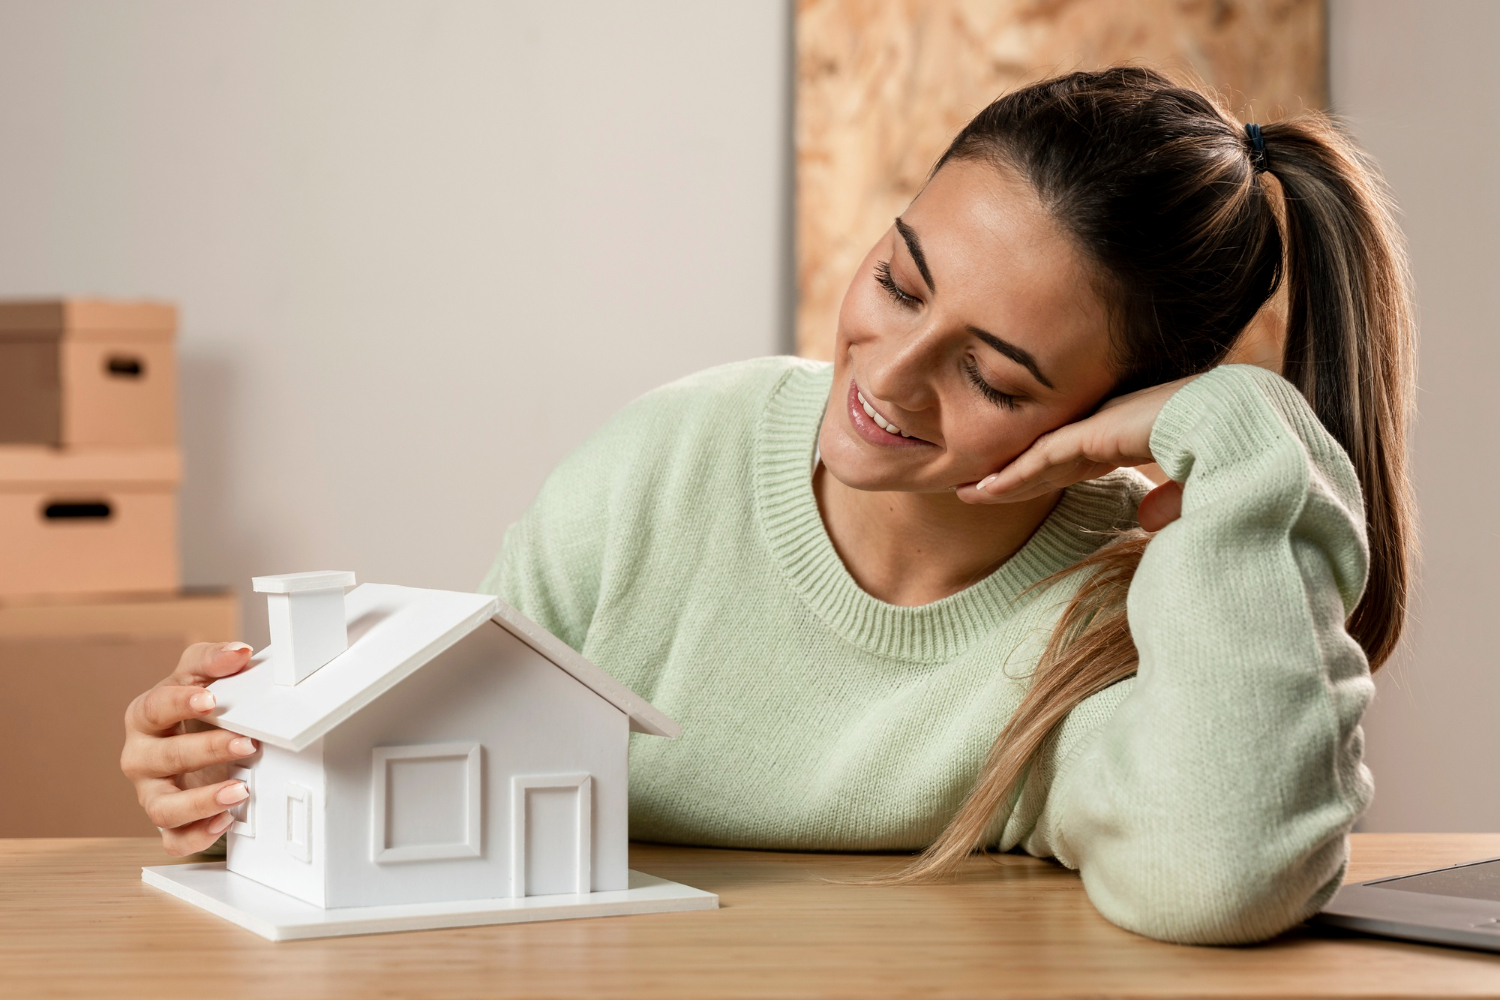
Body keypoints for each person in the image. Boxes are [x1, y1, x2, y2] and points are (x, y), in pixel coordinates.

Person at [119, 68, 1414, 945]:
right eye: (902, 282)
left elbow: (1222, 872)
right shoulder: (669, 459)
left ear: (1109, 416)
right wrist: (229, 782)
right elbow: (442, 760)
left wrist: (1241, 432)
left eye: (988, 370)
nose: (887, 377)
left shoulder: (1135, 612)